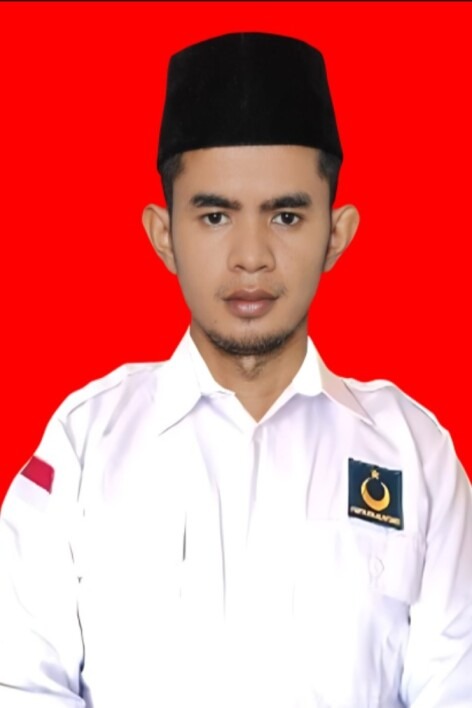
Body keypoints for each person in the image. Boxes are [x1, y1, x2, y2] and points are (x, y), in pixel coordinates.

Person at [0, 31, 471, 708]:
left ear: (336, 234)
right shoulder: (83, 445)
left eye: (287, 215)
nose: (251, 256)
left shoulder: (415, 455)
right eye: (216, 215)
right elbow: (19, 683)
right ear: (164, 235)